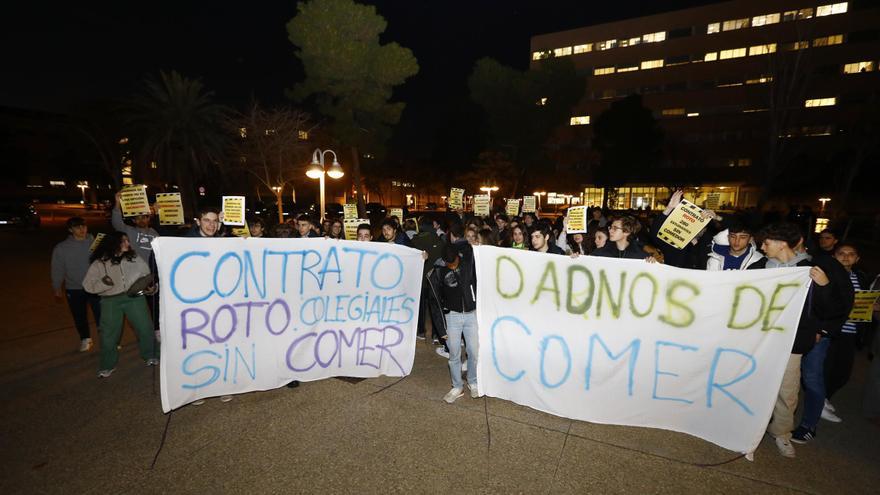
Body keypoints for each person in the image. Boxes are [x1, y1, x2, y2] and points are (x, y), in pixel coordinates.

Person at [748, 223, 853, 457]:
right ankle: (750, 427)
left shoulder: (810, 269)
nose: (762, 247)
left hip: (792, 342)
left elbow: (831, 309)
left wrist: (824, 286)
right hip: (761, 340)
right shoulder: (759, 267)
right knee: (754, 384)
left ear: (782, 244)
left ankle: (782, 434)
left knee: (787, 390)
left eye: (766, 243)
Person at [82, 232, 157, 378]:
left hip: (134, 298)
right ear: (113, 243)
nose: (127, 244)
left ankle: (151, 355)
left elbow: (146, 275)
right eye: (123, 241)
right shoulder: (100, 262)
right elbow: (87, 285)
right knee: (109, 335)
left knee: (145, 328)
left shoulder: (134, 257)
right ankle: (107, 365)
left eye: (127, 240)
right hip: (110, 300)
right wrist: (104, 284)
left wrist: (149, 287)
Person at [427, 224, 479, 403]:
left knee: (474, 352)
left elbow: (468, 245)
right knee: (454, 355)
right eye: (448, 263)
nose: (452, 265)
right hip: (452, 317)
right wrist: (441, 329)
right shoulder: (439, 272)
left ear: (458, 256)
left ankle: (473, 381)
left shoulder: (467, 264)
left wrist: (470, 245)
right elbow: (434, 302)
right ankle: (457, 386)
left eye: (454, 261)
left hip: (472, 315)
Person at [822, 243, 871, 422]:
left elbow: (866, 300)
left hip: (851, 331)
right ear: (834, 256)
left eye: (851, 254)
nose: (846, 257)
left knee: (843, 372)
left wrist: (872, 306)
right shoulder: (827, 275)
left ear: (857, 259)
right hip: (832, 330)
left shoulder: (861, 277)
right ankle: (820, 402)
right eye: (841, 253)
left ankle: (825, 396)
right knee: (825, 368)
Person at [51, 217, 101, 352]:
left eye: (84, 226)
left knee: (102, 315)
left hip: (95, 286)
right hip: (74, 288)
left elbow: (105, 261)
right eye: (77, 227)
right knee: (79, 316)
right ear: (70, 230)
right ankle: (86, 339)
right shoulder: (61, 248)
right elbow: (57, 268)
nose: (82, 230)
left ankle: (107, 339)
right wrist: (57, 287)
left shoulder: (95, 243)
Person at [411, 216, 446, 343]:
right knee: (435, 308)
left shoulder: (415, 241)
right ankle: (437, 334)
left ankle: (421, 331)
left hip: (420, 280)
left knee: (420, 307)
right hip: (434, 280)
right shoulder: (438, 240)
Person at [112, 191, 159, 263]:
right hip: (134, 268)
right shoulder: (129, 231)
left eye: (143, 217)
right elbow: (116, 223)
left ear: (148, 218)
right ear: (133, 221)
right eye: (137, 218)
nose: (141, 221)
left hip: (151, 271)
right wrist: (118, 203)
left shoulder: (155, 233)